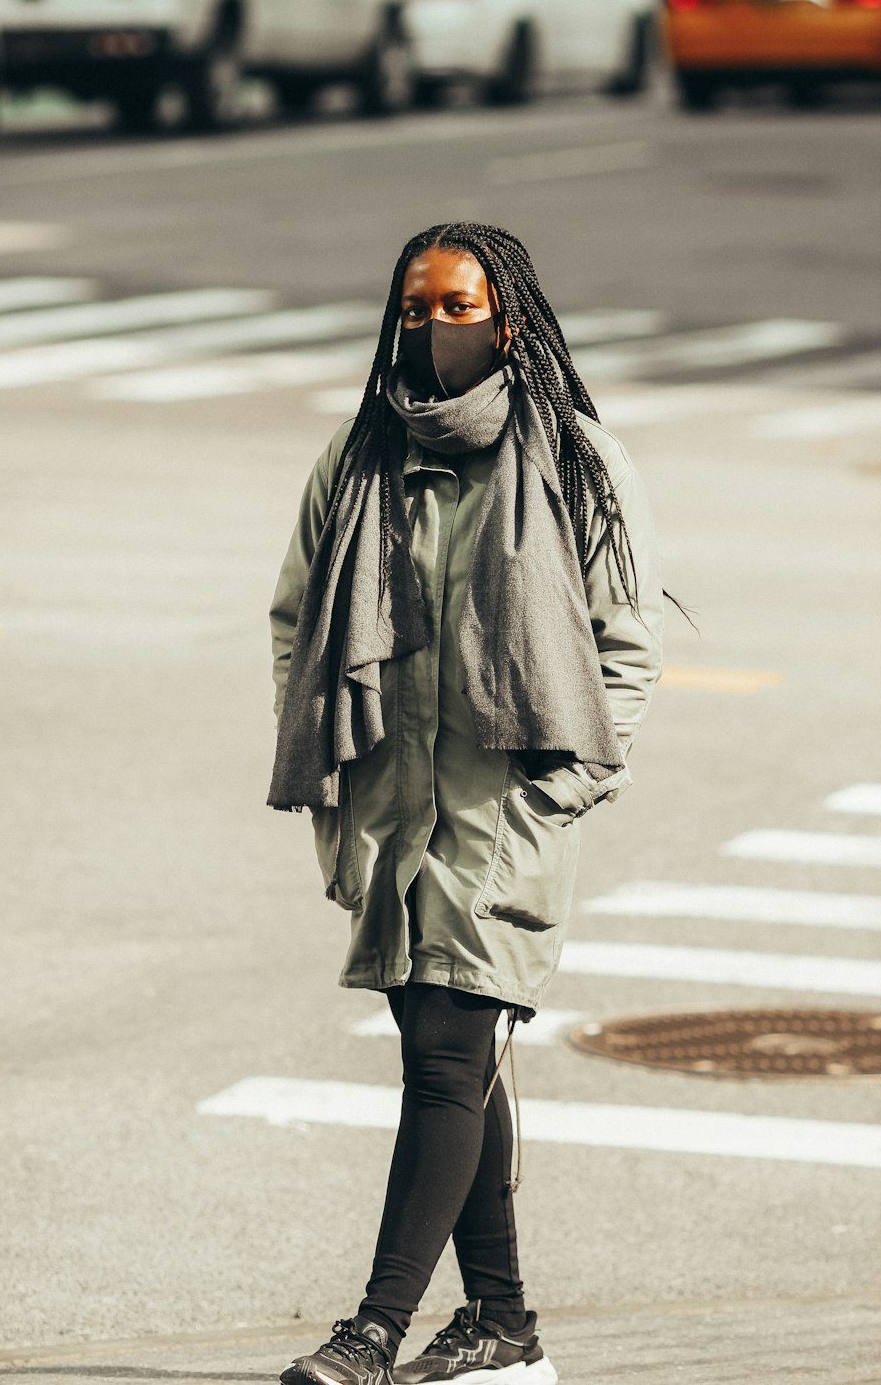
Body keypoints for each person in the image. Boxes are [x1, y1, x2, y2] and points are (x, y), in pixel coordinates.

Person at [268, 222, 664, 1385]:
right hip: (387, 801)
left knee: (447, 1053)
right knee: (453, 1051)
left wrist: (563, 795)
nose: (435, 327)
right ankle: (501, 1318)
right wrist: (324, 773)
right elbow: (296, 622)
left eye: (459, 305)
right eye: (414, 307)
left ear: (511, 316)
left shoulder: (574, 459)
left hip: (504, 812)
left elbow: (623, 648)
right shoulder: (359, 454)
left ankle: (373, 1330)